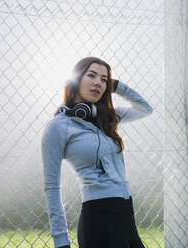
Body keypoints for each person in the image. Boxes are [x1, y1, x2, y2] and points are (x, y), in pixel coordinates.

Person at [41, 56, 153, 248]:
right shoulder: (58, 126)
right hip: (99, 217)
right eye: (91, 75)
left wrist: (116, 85)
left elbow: (145, 109)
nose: (98, 83)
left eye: (103, 79)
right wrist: (60, 240)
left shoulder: (107, 118)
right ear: (75, 80)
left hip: (126, 211)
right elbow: (51, 186)